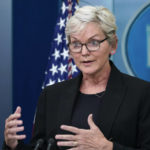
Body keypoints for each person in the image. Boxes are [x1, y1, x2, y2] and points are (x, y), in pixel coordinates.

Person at [3, 5, 150, 150]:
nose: (84, 52)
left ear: (113, 45)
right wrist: (14, 146)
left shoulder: (142, 94)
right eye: (76, 44)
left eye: (93, 42)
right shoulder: (52, 95)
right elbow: (40, 147)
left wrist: (107, 147)